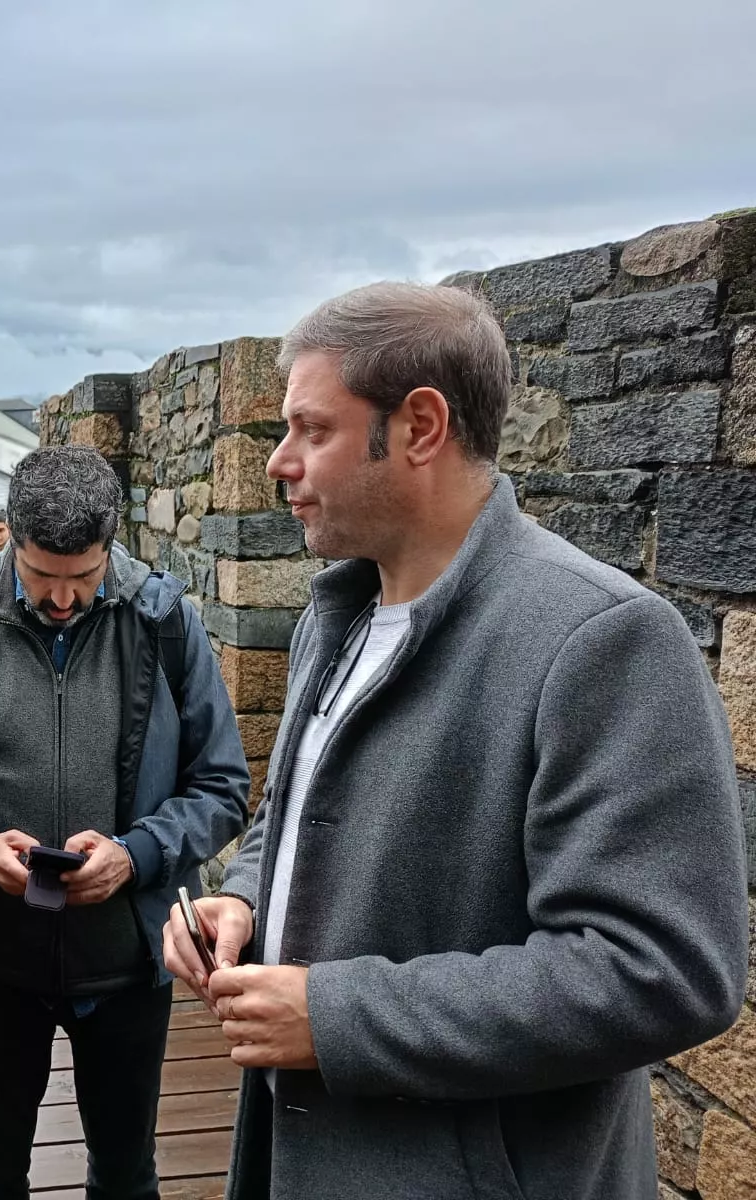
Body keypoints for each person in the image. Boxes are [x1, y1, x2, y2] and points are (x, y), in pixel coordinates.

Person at [163, 282, 750, 1200]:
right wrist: (241, 901)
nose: (279, 463)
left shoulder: (603, 639)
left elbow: (665, 970)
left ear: (421, 426)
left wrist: (336, 1017)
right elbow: (292, 815)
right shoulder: (338, 614)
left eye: (312, 430)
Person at [0, 444, 253, 1200]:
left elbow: (223, 787)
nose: (61, 600)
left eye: (82, 579)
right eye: (41, 577)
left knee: (126, 1179)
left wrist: (138, 854)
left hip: (129, 960)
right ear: (8, 539)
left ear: (110, 546)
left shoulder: (166, 622)